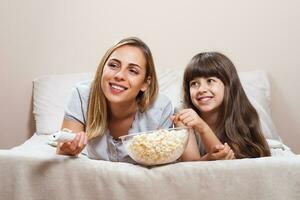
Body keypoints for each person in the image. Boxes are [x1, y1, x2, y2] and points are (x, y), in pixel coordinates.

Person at [57, 37, 173, 163]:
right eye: (113, 65)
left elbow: (164, 164)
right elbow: (62, 150)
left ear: (145, 83)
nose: (119, 75)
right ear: (102, 68)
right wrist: (67, 150)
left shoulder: (161, 108)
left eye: (133, 71)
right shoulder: (82, 96)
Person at [173, 52, 271, 161]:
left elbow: (230, 164)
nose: (201, 89)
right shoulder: (183, 115)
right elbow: (190, 168)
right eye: (194, 84)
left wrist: (203, 128)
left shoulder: (243, 115)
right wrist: (208, 159)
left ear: (228, 84)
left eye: (210, 81)